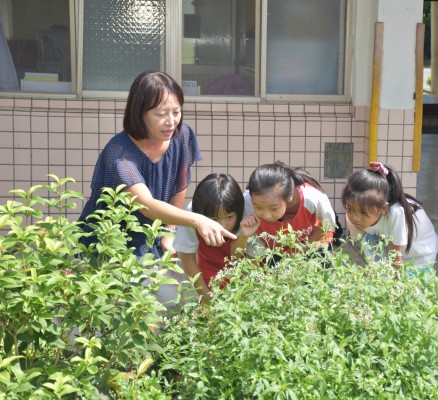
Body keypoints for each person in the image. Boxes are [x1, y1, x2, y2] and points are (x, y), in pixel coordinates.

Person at [79, 71, 236, 259]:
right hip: (108, 242)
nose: (171, 122)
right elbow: (146, 205)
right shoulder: (120, 154)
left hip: (151, 236)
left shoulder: (182, 136)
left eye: (176, 112)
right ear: (139, 114)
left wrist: (168, 233)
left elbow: (179, 187)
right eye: (161, 114)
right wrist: (197, 220)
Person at [173, 173, 255, 303]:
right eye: (214, 219)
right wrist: (205, 298)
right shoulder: (192, 214)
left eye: (229, 217)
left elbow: (251, 260)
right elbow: (188, 258)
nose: (222, 225)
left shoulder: (248, 215)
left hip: (242, 274)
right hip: (206, 272)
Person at [341, 162, 438, 270]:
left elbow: (395, 256)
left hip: (420, 254)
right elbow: (363, 247)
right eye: (350, 209)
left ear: (383, 208)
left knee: (409, 282)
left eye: (363, 212)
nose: (355, 217)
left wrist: (394, 284)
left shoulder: (395, 213)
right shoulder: (352, 212)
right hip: (389, 245)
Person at [239, 161, 337, 256]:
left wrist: (300, 251)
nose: (266, 215)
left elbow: (329, 224)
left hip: (314, 244)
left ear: (289, 197)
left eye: (274, 208)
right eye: (258, 207)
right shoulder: (247, 201)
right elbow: (254, 246)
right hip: (276, 251)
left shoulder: (310, 197)